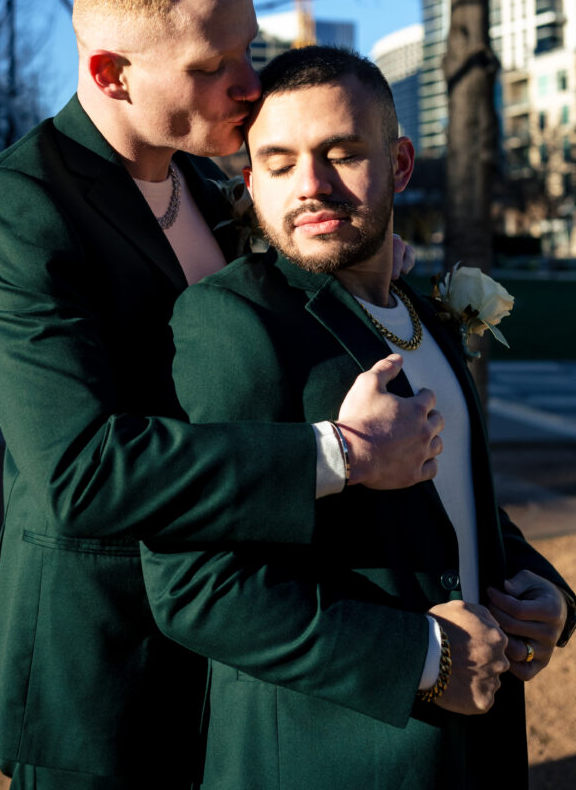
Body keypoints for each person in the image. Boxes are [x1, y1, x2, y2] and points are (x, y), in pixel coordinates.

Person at [0, 0, 443, 790]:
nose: (248, 86)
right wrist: (342, 455)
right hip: (104, 668)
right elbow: (80, 471)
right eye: (209, 67)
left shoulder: (220, 182)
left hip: (244, 657)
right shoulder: (17, 205)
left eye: (247, 50)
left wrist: (368, 260)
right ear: (110, 73)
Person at [142, 45, 576, 790]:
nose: (309, 186)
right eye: (278, 164)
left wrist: (544, 594)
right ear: (251, 179)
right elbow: (193, 586)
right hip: (328, 757)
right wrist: (421, 656)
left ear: (400, 165)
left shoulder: (426, 314)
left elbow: (457, 505)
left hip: (477, 751)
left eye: (341, 155)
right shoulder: (234, 323)